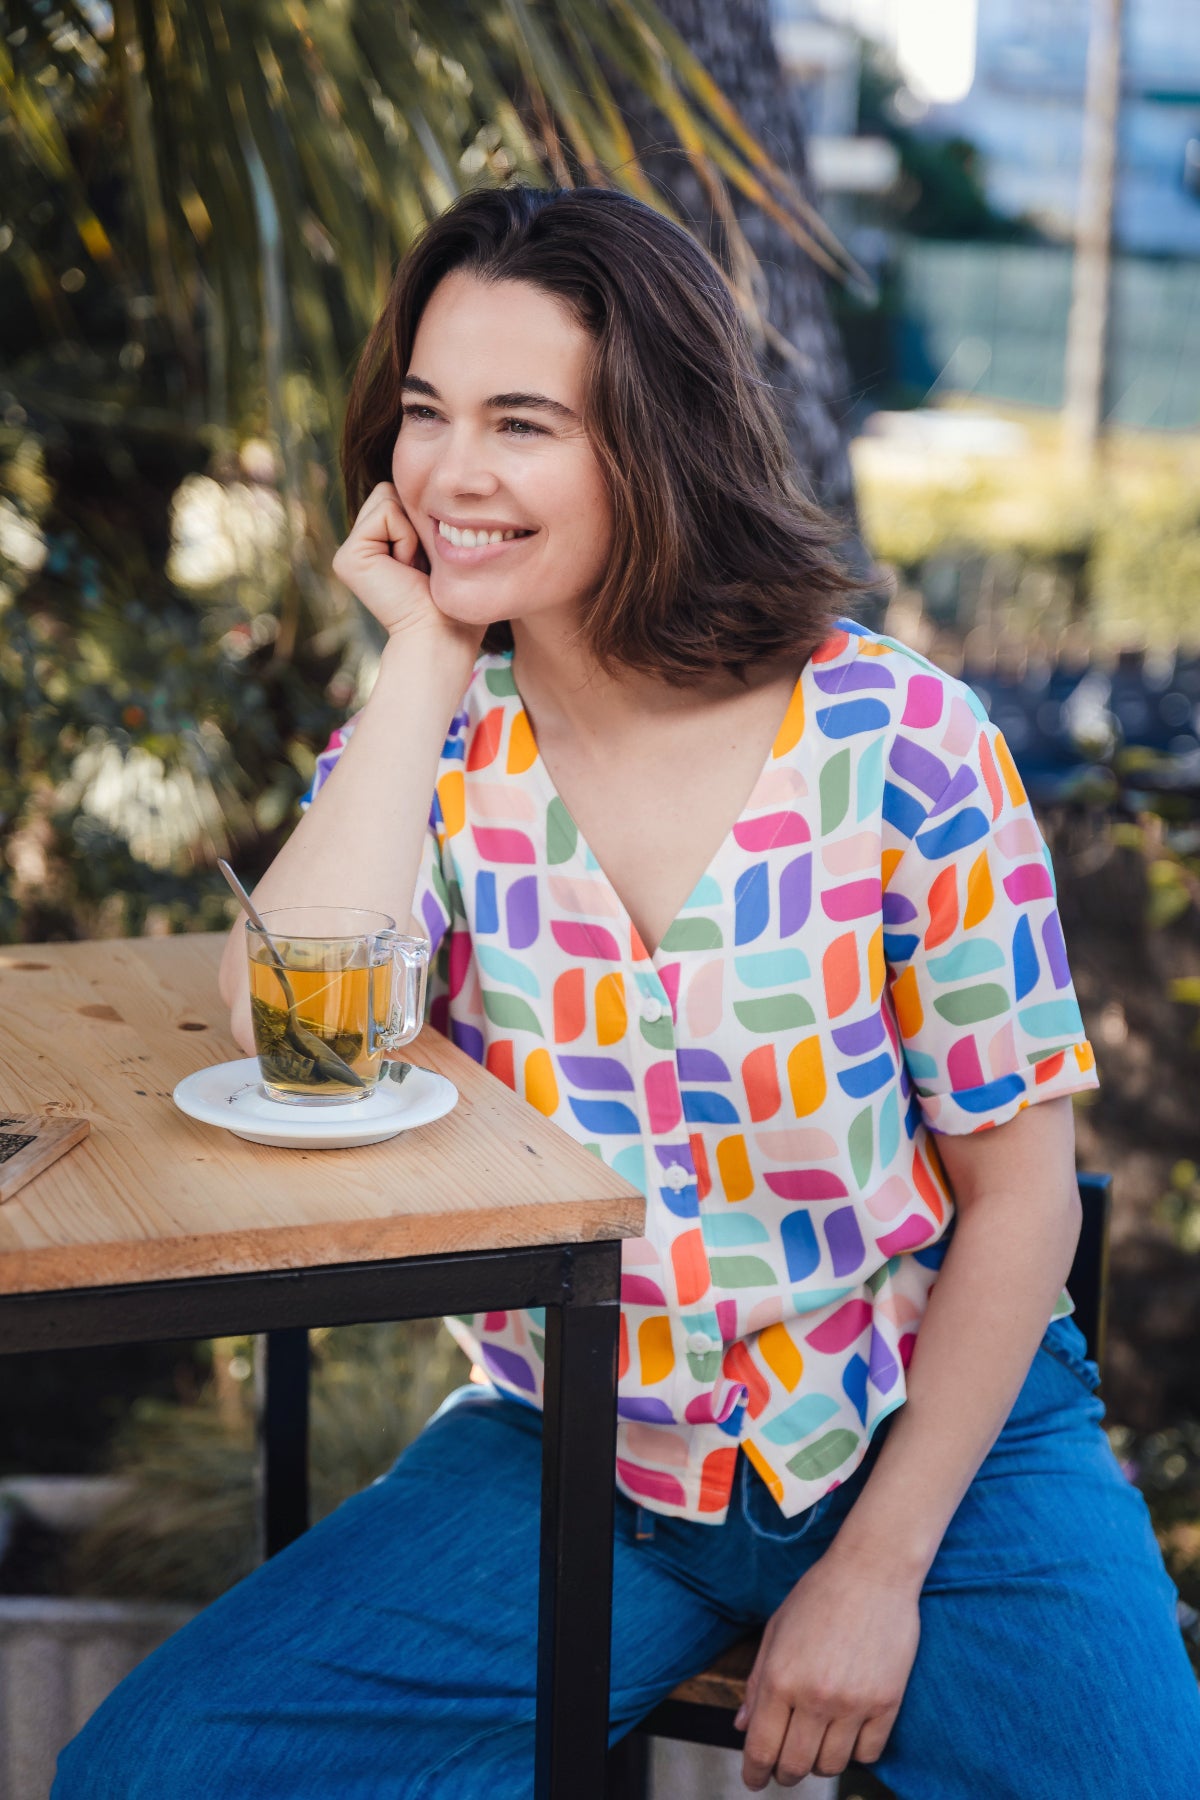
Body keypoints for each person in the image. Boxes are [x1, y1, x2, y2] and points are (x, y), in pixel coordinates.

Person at [55, 184, 1200, 1800]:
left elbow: (1021, 1202)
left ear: (651, 441)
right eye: (427, 413)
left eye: (524, 422)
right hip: (574, 1454)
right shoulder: (424, 756)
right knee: (155, 1777)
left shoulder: (903, 743)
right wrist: (425, 665)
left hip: (932, 1435)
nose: (453, 473)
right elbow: (290, 1037)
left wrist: (875, 1573)